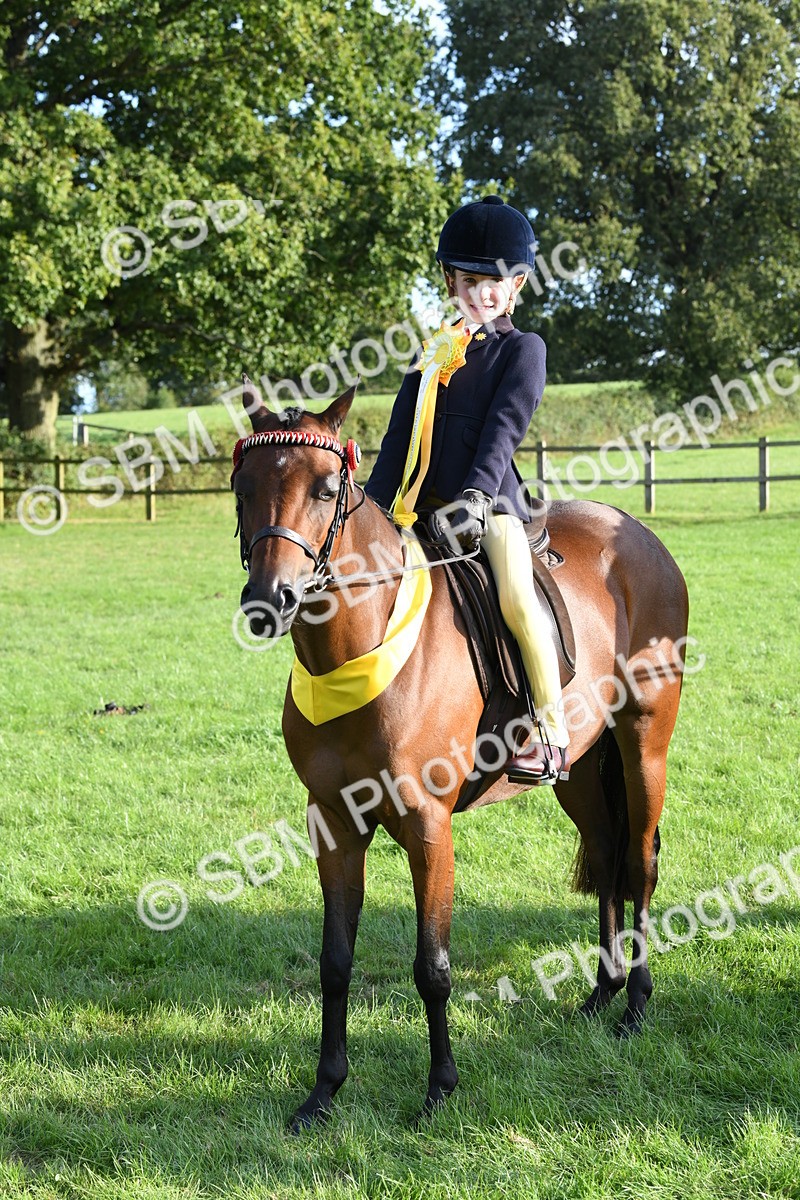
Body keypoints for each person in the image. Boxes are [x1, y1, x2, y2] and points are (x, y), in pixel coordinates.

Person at [364, 194, 570, 784]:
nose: (484, 292)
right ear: (451, 281)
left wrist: (477, 498)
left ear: (518, 286)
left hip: (491, 506)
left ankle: (550, 732)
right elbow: (399, 437)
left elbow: (505, 428)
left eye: (497, 282)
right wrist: (375, 506)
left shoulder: (522, 349)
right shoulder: (431, 353)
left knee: (515, 595)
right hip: (416, 510)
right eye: (472, 279)